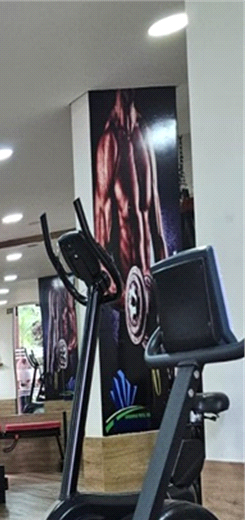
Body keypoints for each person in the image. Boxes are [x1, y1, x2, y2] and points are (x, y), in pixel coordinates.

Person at [93, 89, 168, 347]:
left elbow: (154, 213)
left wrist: (165, 273)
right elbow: (102, 220)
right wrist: (113, 287)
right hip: (130, 297)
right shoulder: (109, 141)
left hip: (151, 285)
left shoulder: (143, 132)